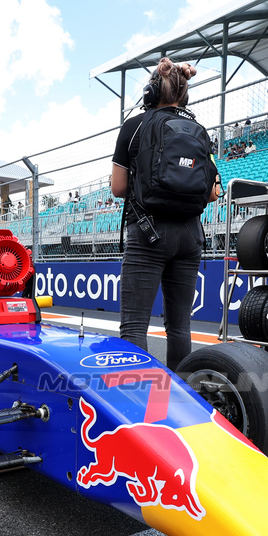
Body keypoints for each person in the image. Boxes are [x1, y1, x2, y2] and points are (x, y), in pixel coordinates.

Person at [110, 57, 220, 370]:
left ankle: (136, 398)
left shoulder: (134, 126)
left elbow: (118, 188)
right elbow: (212, 192)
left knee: (133, 327)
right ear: (184, 95)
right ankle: (182, 399)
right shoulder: (198, 130)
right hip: (189, 235)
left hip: (147, 232)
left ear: (149, 93)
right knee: (180, 326)